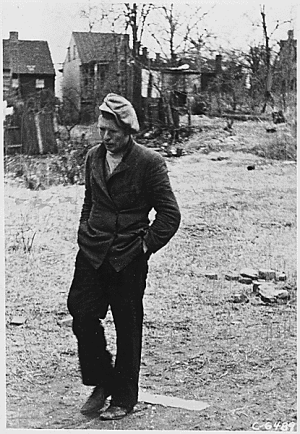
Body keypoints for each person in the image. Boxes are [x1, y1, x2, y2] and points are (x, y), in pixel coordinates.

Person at [67, 93, 181, 421]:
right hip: (92, 251)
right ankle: (102, 380)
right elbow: (90, 201)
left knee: (127, 326)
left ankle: (124, 397)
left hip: (128, 258)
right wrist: (84, 230)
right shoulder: (92, 157)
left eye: (112, 132)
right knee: (81, 313)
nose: (105, 137)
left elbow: (169, 215)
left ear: (128, 131)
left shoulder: (149, 162)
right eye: (102, 130)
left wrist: (143, 248)